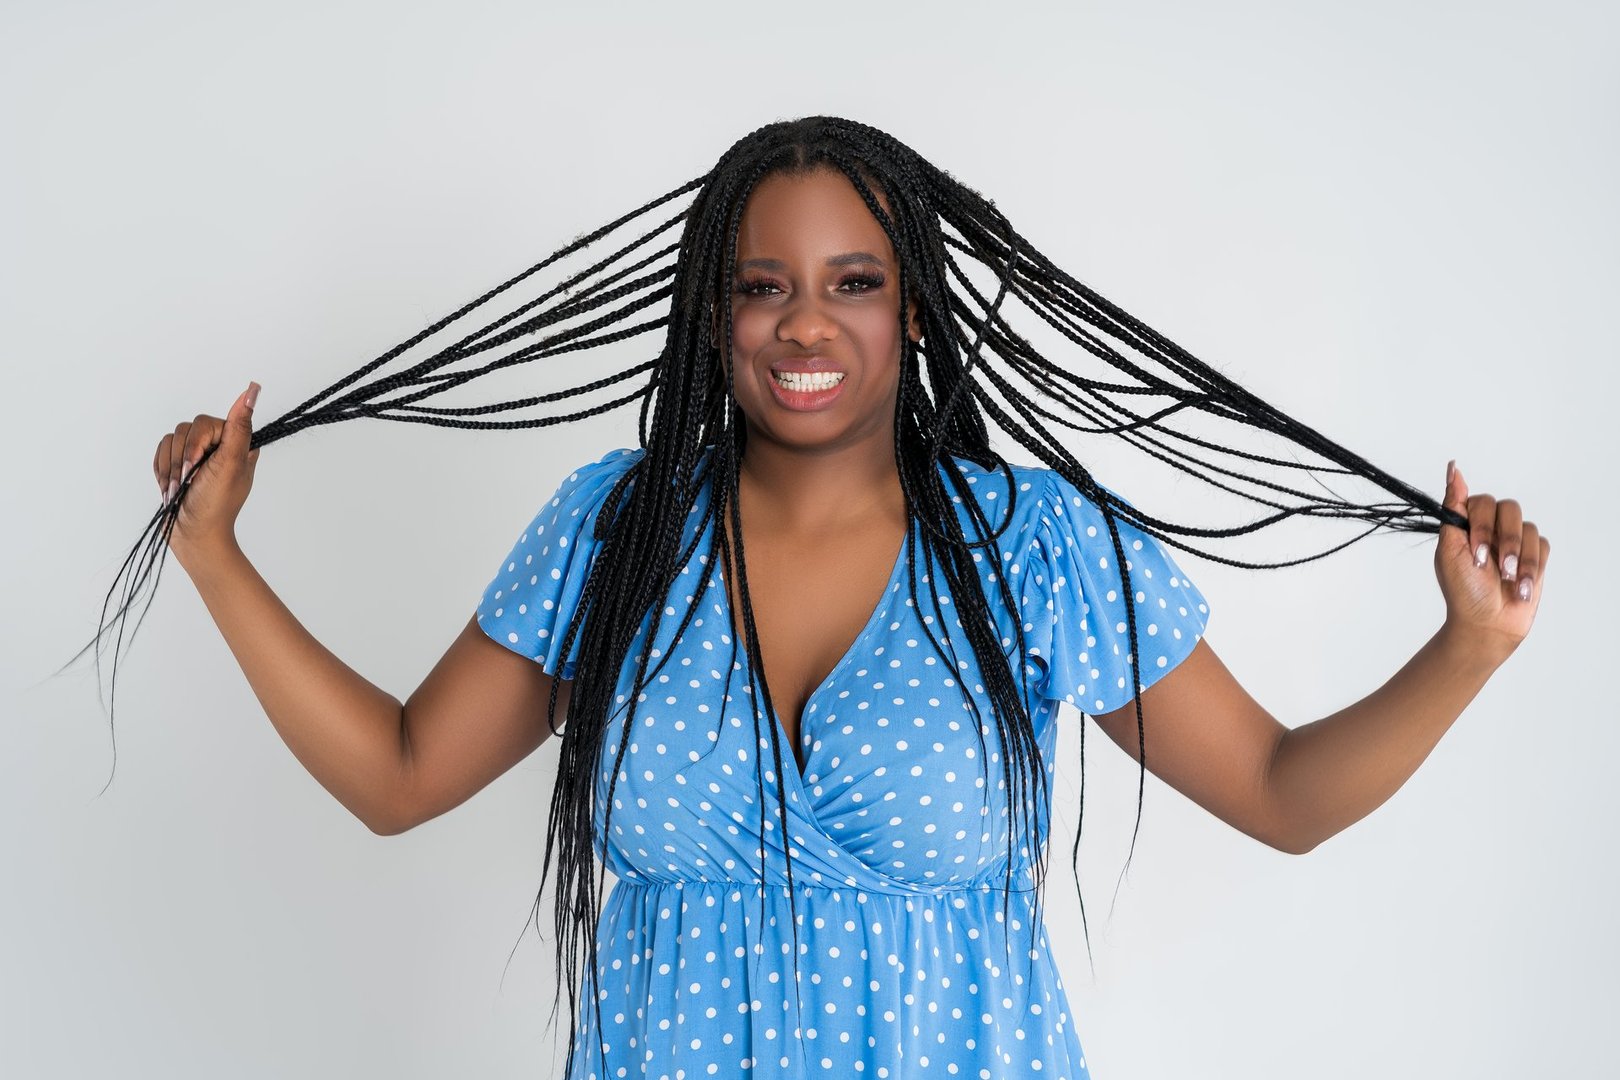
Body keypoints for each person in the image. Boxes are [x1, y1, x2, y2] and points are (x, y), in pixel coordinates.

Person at [142, 117, 1547, 1078]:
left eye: (853, 283)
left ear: (914, 311)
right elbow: (397, 775)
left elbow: (1281, 791)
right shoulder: (615, 535)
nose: (805, 324)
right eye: (763, 286)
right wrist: (213, 554)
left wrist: (1468, 648)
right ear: (715, 315)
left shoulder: (1031, 550)